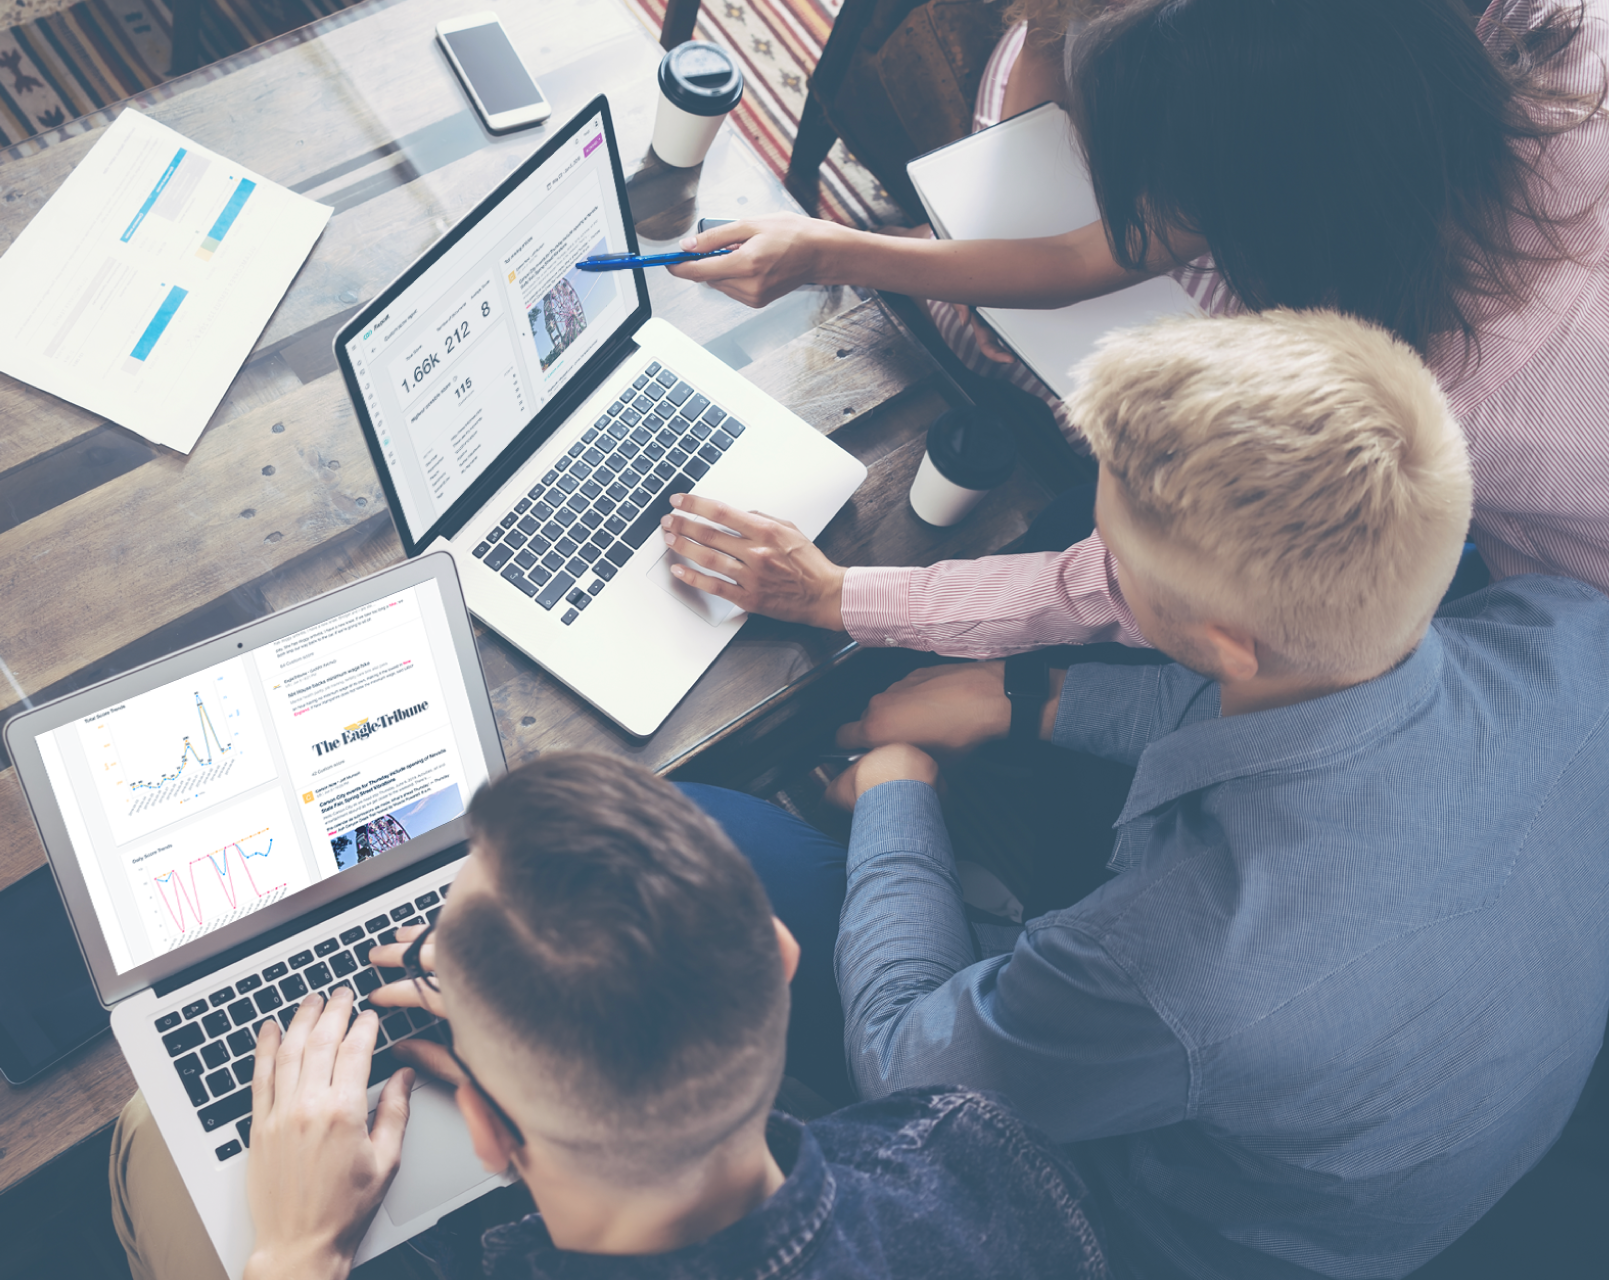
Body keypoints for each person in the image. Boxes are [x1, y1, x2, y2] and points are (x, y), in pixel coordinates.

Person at [702, 309, 1609, 1278]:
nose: (1095, 569)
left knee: (705, 834)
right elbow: (1319, 695)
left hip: (1152, 1229)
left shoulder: (1177, 959)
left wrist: (898, 786)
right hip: (1427, 1107)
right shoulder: (1568, 623)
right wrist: (1030, 696)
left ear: (1222, 642)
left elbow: (906, 1070)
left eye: (1113, 563)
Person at [662, 0, 1609, 654]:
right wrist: (829, 251)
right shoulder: (1567, 40)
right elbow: (1092, 251)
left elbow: (1123, 584)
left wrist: (835, 595)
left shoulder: (1364, 407)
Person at [107, 753, 1112, 1280]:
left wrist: (295, 1252)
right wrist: (528, 993)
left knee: (149, 1136)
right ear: (778, 951)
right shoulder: (971, 1147)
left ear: (488, 1130)